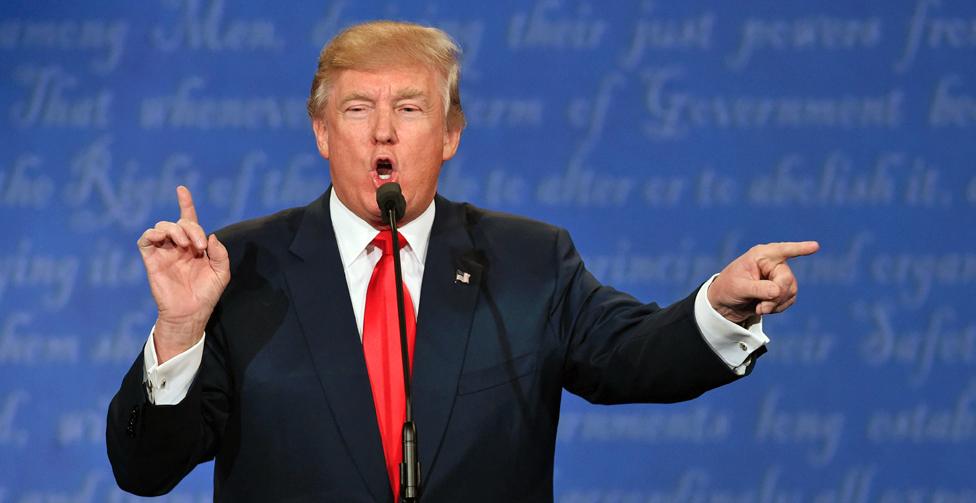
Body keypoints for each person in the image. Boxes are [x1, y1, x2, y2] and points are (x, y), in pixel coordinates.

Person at [106, 20, 818, 502]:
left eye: (411, 109)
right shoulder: (245, 264)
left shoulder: (529, 260)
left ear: (450, 134)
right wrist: (178, 331)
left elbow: (635, 355)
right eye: (357, 109)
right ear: (322, 131)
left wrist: (720, 305)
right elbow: (146, 468)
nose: (383, 130)